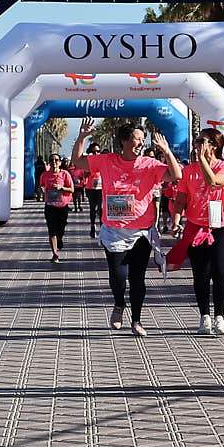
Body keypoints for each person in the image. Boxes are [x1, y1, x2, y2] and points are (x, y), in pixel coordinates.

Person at [74, 122, 181, 335]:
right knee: (118, 275)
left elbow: (176, 176)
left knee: (137, 277)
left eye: (143, 139)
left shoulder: (149, 164)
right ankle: (119, 304)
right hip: (114, 230)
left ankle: (137, 320)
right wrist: (82, 137)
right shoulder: (106, 161)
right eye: (136, 138)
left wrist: (167, 151)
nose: (141, 143)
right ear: (124, 140)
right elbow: (77, 161)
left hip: (142, 230)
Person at [168, 127, 224, 336]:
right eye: (197, 141)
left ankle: (220, 318)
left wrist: (203, 160)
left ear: (214, 146)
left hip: (221, 226)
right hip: (196, 226)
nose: (198, 144)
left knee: (219, 270)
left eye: (202, 141)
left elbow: (213, 181)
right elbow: (181, 200)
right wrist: (176, 221)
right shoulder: (189, 170)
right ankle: (204, 316)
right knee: (200, 273)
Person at [38, 155, 74, 263]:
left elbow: (72, 189)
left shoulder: (65, 174)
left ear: (60, 162)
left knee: (60, 229)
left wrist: (61, 188)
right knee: (51, 230)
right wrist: (41, 190)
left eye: (56, 160)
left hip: (62, 206)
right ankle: (55, 254)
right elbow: (41, 186)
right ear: (49, 162)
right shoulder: (45, 175)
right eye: (52, 160)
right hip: (50, 206)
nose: (54, 162)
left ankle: (59, 238)